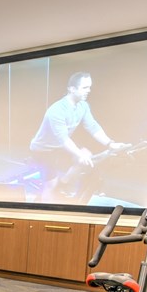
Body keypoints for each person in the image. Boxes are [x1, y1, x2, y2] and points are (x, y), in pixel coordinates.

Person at [29, 72, 127, 200]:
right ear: (72, 89)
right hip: (43, 149)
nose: (89, 91)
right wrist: (79, 154)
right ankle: (43, 210)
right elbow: (63, 139)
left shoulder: (83, 106)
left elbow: (92, 126)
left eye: (89, 87)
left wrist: (110, 143)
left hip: (59, 146)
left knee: (86, 154)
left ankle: (63, 183)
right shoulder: (56, 110)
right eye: (85, 88)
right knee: (50, 185)